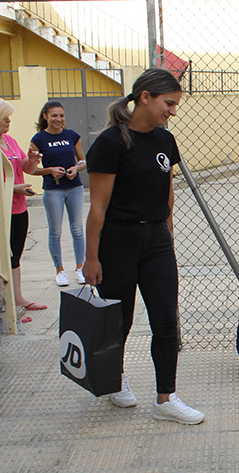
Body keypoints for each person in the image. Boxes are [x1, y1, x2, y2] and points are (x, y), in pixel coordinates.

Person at [82, 68, 204, 425]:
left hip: (156, 241)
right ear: (145, 97)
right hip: (117, 241)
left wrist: (167, 237)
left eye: (175, 105)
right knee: (119, 320)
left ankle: (166, 398)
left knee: (166, 320)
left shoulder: (165, 141)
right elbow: (98, 207)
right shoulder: (109, 143)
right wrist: (91, 258)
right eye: (169, 103)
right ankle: (115, 379)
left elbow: (167, 194)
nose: (173, 111)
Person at [0, 96, 43, 322]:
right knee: (0, 257)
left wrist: (32, 161)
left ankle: (17, 298)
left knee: (15, 254)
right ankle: (4, 304)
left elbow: (25, 167)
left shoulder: (9, 140)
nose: (7, 121)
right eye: (2, 117)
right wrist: (13, 188)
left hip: (18, 208)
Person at [30, 101, 86, 287]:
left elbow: (83, 161)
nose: (58, 119)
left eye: (61, 115)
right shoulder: (38, 139)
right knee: (55, 232)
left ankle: (80, 268)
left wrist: (76, 168)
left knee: (77, 229)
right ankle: (60, 270)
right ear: (45, 116)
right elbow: (30, 169)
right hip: (53, 190)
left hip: (74, 188)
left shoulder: (72, 136)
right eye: (54, 115)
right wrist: (50, 170)